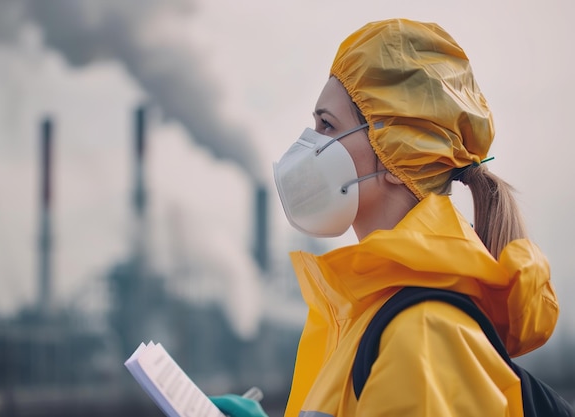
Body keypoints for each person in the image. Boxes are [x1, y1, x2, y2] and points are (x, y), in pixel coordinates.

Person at [211, 18, 560, 417]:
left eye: (327, 124)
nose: (310, 144)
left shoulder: (422, 334)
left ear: (396, 153)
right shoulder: (368, 313)